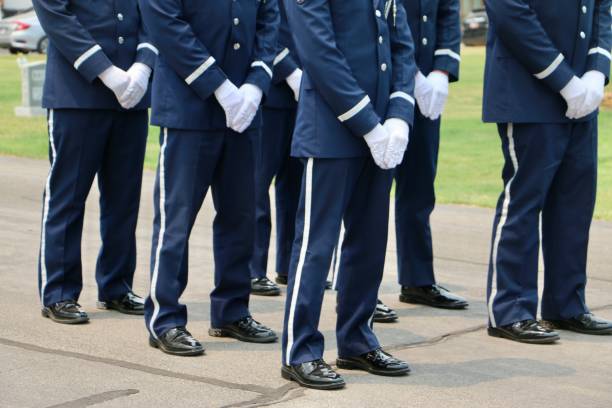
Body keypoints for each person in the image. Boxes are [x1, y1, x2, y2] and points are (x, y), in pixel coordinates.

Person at [282, 0, 417, 390]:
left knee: (370, 242)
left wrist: (398, 115)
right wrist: (368, 123)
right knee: (316, 246)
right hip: (331, 130)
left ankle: (358, 340)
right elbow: (320, 53)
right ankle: (301, 350)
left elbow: (402, 45)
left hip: (382, 131)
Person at [139, 0, 280, 356]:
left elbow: (269, 23)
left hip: (245, 111)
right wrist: (218, 85)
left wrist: (256, 84)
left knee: (241, 215)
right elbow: (168, 27)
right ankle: (165, 318)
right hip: (189, 109)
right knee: (176, 219)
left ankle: (232, 311)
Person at [483, 0, 612, 344]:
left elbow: (601, 7)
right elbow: (510, 11)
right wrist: (563, 79)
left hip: (581, 93)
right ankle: (510, 309)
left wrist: (597, 70)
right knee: (523, 201)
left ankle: (566, 304)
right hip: (528, 88)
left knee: (575, 202)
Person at [33, 0, 155, 324]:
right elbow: (56, 16)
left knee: (123, 199)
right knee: (68, 196)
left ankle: (116, 285)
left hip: (131, 93)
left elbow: (156, 12)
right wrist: (105, 70)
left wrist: (143, 66)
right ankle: (59, 291)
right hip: (77, 93)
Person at [393, 0, 468, 310]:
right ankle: (356, 287)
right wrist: (410, 74)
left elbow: (449, 11)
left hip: (428, 90)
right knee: (364, 196)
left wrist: (441, 69)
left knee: (420, 186)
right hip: (384, 79)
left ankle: (418, 279)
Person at [250, 5, 303, 297]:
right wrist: (290, 70)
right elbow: (267, 25)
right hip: (270, 89)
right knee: (257, 182)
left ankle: (290, 263)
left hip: (308, 90)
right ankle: (252, 268)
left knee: (296, 184)